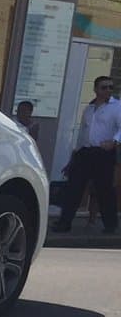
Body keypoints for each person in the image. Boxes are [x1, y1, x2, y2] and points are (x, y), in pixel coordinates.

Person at [54, 76, 121, 234]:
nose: (108, 90)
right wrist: (74, 156)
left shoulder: (117, 107)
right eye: (104, 87)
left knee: (104, 190)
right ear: (96, 89)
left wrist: (114, 142)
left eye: (111, 87)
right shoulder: (89, 109)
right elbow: (82, 133)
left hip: (103, 153)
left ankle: (110, 225)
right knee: (74, 188)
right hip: (85, 152)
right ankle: (64, 223)